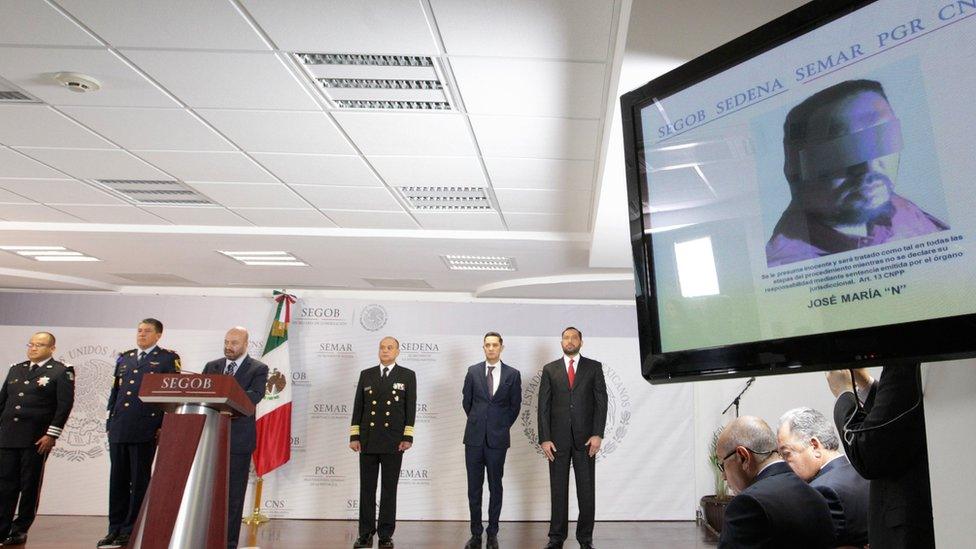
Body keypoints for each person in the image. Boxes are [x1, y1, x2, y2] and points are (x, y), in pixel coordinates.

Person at [766, 79, 948, 267]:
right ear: (795, 168)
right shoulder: (788, 266)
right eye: (842, 150)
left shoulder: (900, 209)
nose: (870, 168)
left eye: (881, 139)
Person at [828, 365, 934, 548]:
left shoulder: (904, 361)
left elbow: (868, 454)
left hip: (910, 532)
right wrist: (866, 384)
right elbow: (897, 419)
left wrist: (843, 394)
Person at [99, 319, 180, 549]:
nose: (142, 335)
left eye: (147, 331)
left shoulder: (167, 358)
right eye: (139, 330)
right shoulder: (124, 357)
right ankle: (114, 527)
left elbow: (170, 396)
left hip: (145, 426)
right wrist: (110, 420)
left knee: (139, 479)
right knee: (118, 479)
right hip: (120, 426)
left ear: (159, 335)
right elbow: (116, 391)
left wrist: (163, 425)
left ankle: (131, 528)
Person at [0, 332, 74, 546]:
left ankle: (20, 528)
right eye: (31, 344)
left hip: (35, 439)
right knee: (5, 484)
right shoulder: (17, 368)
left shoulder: (61, 371)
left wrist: (51, 434)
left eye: (39, 345)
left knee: (29, 484)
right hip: (8, 435)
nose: (33, 348)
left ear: (51, 348)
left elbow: (64, 406)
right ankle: (2, 527)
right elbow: (3, 400)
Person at [717, 416, 834, 549]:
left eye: (722, 465)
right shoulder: (817, 496)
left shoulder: (747, 504)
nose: (724, 477)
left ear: (743, 457)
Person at [537, 327, 606, 549]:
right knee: (558, 491)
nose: (570, 341)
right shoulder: (550, 369)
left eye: (574, 337)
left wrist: (597, 434)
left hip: (586, 441)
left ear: (581, 342)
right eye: (566, 338)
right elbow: (543, 407)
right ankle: (556, 538)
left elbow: (601, 403)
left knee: (586, 491)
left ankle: (585, 539)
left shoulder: (594, 368)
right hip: (556, 442)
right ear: (561, 342)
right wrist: (544, 438)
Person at [202, 327, 268, 549]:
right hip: (210, 439)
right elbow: (202, 395)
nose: (229, 346)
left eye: (234, 343)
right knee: (207, 492)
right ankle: (204, 539)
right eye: (226, 341)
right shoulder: (212, 367)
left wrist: (223, 399)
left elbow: (254, 397)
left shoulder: (258, 368)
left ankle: (228, 542)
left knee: (233, 495)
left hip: (238, 441)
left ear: (246, 344)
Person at [349, 337, 416, 549]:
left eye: (390, 348)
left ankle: (386, 534)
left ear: (397, 351)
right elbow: (358, 407)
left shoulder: (407, 375)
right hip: (368, 440)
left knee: (389, 489)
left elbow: (410, 408)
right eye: (382, 347)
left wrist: (407, 436)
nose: (385, 351)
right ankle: (365, 533)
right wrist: (354, 436)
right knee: (367, 488)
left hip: (393, 441)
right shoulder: (366, 374)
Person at [461, 332, 522, 549]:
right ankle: (476, 533)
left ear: (501, 347)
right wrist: (480, 422)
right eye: (487, 345)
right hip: (474, 440)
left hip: (498, 440)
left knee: (496, 486)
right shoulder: (473, 371)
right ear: (483, 347)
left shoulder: (513, 374)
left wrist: (499, 425)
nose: (491, 348)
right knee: (474, 488)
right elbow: (467, 402)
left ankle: (493, 532)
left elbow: (515, 406)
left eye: (495, 345)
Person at [778, 407, 869, 547]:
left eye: (787, 453)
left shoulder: (820, 491)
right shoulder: (864, 473)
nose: (785, 463)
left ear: (814, 446)